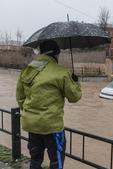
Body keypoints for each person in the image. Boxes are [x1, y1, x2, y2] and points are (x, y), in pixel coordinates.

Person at [16, 40, 82, 169]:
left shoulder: (27, 70)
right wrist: (75, 82)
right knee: (56, 162)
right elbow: (74, 97)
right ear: (55, 54)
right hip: (51, 126)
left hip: (31, 124)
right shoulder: (61, 72)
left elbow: (20, 97)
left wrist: (31, 113)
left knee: (35, 160)